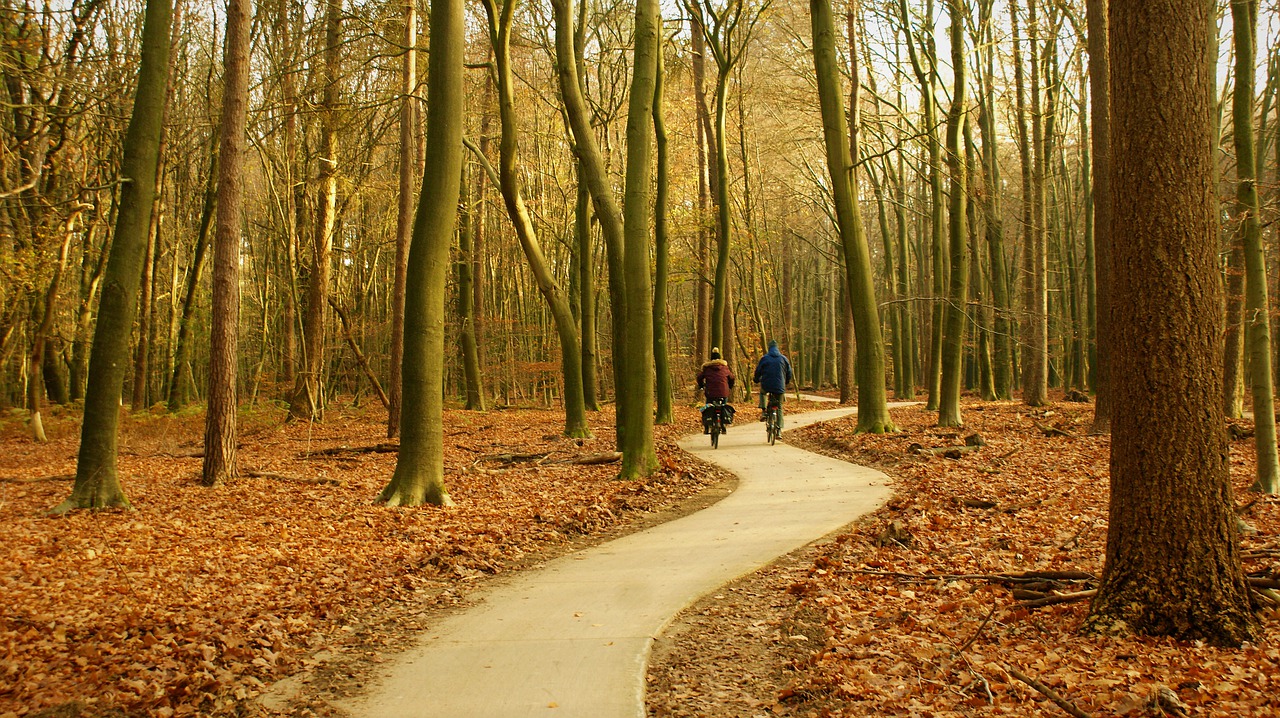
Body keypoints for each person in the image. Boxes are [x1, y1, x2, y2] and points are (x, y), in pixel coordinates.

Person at [753, 340, 793, 426]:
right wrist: (786, 381)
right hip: (780, 386)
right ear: (777, 348)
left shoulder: (764, 358)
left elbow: (758, 371)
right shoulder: (783, 359)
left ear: (769, 348)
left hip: (766, 385)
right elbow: (789, 372)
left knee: (763, 393)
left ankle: (764, 410)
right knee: (779, 406)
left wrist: (756, 379)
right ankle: (779, 428)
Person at [696, 347, 735, 434]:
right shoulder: (725, 368)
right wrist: (730, 386)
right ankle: (723, 426)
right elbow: (732, 378)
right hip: (723, 392)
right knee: (723, 406)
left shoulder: (707, 368)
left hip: (710, 393)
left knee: (708, 407)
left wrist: (701, 386)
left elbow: (699, 377)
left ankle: (706, 428)